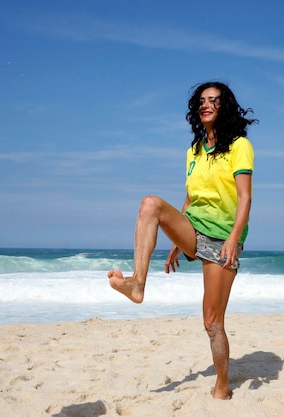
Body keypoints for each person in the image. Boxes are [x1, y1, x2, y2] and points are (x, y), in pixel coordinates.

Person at [107, 81, 257, 400]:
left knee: (212, 322)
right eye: (202, 100)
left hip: (222, 238)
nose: (206, 105)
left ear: (225, 107)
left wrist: (233, 239)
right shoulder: (193, 150)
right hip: (194, 228)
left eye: (214, 101)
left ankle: (223, 386)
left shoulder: (239, 146)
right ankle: (138, 284)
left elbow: (245, 199)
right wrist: (178, 236)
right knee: (151, 204)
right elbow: (189, 197)